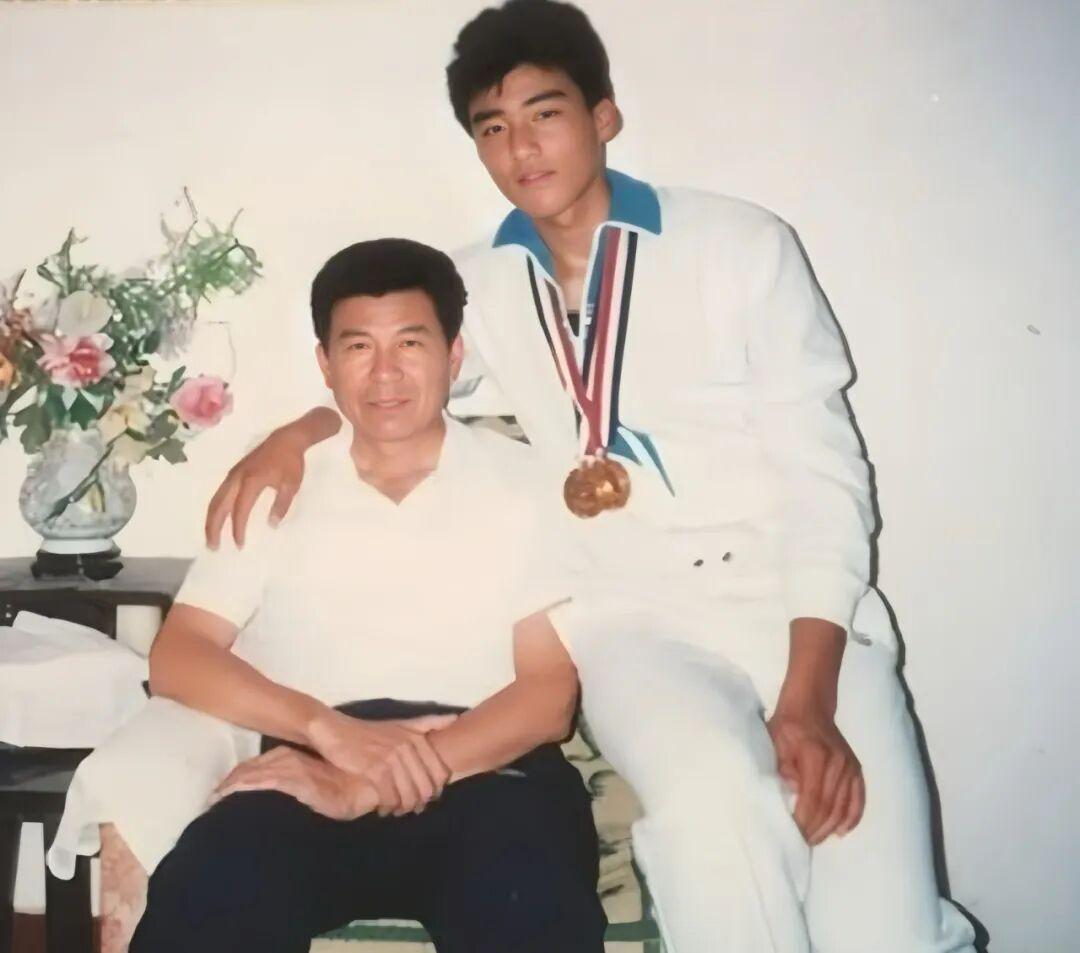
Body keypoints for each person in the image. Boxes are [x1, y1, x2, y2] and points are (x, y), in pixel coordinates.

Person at [205, 2, 978, 951]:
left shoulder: (739, 246)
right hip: (632, 619)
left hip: (793, 603)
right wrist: (295, 430)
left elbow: (827, 479)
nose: (522, 147)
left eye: (546, 113)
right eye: (494, 128)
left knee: (883, 918)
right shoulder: (481, 282)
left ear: (603, 115)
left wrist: (809, 698)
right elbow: (394, 381)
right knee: (712, 816)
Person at [130, 238, 606, 953]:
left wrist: (377, 781)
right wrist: (325, 731)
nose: (385, 373)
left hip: (489, 770)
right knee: (209, 889)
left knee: (531, 907)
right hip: (312, 766)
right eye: (358, 347)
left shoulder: (530, 484)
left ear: (454, 355)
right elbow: (178, 656)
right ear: (325, 364)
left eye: (411, 343)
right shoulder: (277, 482)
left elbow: (548, 696)